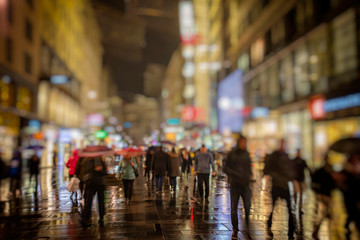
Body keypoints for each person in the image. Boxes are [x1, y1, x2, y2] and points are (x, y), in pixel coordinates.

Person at [263, 139, 296, 239]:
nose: (284, 145)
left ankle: (291, 233)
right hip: (277, 186)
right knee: (273, 207)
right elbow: (268, 169)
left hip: (285, 186)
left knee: (290, 209)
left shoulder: (286, 156)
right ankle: (269, 224)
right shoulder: (275, 156)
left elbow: (290, 170)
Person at [223, 136, 252, 239]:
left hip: (245, 184)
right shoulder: (232, 154)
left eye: (245, 142)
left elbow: (249, 167)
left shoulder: (247, 154)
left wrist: (249, 176)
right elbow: (225, 168)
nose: (244, 144)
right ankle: (235, 228)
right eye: (242, 142)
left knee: (248, 206)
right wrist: (236, 174)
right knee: (234, 208)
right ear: (239, 142)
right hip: (235, 184)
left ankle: (248, 226)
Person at [311, 154, 335, 240]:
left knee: (327, 214)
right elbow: (314, 182)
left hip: (328, 196)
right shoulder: (321, 171)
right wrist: (318, 193)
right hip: (322, 196)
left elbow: (333, 183)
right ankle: (316, 230)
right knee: (322, 214)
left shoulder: (331, 171)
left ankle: (321, 230)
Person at [79, 156, 107, 227]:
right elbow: (84, 172)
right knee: (88, 202)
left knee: (101, 201)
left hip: (100, 184)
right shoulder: (87, 161)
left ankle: (101, 217)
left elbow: (105, 172)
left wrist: (100, 170)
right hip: (91, 184)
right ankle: (86, 218)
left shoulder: (101, 160)